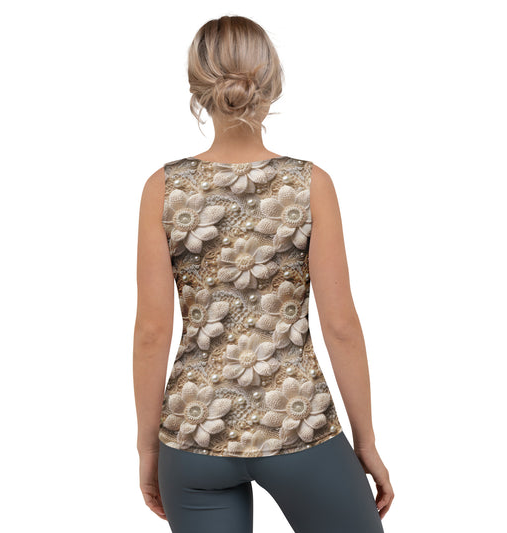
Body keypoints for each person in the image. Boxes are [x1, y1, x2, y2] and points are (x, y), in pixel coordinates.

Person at [133, 14, 394, 533]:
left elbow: (151, 332)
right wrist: (365, 443)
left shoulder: (163, 187)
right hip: (299, 429)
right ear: (271, 83)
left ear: (198, 88)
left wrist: (148, 448)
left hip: (192, 434)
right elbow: (341, 326)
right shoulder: (308, 183)